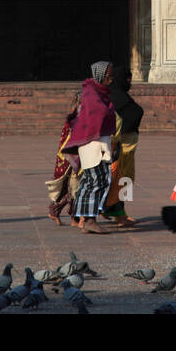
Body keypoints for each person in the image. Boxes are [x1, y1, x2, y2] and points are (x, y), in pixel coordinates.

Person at [62, 61, 118, 235]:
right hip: (93, 144)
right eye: (109, 74)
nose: (111, 77)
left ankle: (85, 218)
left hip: (98, 143)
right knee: (97, 181)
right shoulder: (91, 92)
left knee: (91, 181)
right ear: (101, 75)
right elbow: (99, 113)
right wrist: (109, 109)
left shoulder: (99, 92)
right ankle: (89, 219)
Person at [102, 62, 144, 227]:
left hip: (126, 148)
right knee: (122, 181)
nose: (130, 83)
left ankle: (116, 212)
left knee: (123, 181)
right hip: (120, 149)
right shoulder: (115, 98)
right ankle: (120, 216)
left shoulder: (117, 96)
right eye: (128, 79)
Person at [46, 92, 81, 225]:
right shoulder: (74, 120)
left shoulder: (75, 118)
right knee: (73, 187)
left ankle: (66, 215)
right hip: (71, 157)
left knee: (72, 187)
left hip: (73, 157)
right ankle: (69, 215)